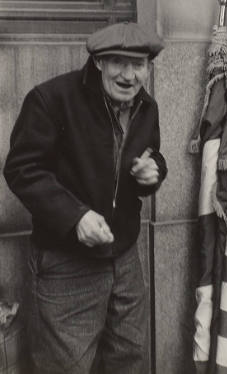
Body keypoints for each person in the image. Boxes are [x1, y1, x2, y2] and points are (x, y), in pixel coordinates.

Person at [3, 22, 167, 374]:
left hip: (124, 260)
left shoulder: (147, 107)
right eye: (117, 63)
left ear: (148, 67)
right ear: (97, 62)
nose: (128, 75)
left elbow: (152, 153)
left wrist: (153, 172)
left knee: (130, 360)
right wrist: (75, 216)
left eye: (137, 65)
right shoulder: (51, 99)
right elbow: (21, 169)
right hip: (66, 265)